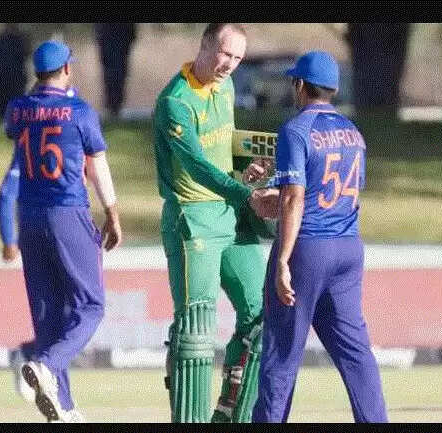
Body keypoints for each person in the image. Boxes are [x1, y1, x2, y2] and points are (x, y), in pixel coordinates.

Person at [250, 51, 388, 422]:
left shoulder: (296, 130)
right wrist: (280, 198)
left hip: (307, 248)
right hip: (348, 246)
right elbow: (333, 192)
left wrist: (283, 260)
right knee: (356, 354)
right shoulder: (353, 133)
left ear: (299, 85)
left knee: (281, 354)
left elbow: (295, 199)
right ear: (333, 89)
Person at [153, 23, 279, 423]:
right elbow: (196, 165)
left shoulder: (226, 87)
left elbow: (225, 145)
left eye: (238, 58)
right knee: (195, 327)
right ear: (205, 45)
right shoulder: (176, 101)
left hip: (232, 213)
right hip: (193, 217)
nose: (230, 64)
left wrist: (248, 169)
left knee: (264, 315)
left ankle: (230, 415)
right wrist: (247, 194)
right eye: (225, 54)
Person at [3, 40, 122, 423]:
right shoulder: (80, 111)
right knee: (91, 305)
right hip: (68, 212)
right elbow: (97, 166)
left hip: (29, 216)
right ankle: (47, 366)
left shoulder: (17, 109)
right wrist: (112, 212)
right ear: (67, 69)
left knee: (48, 315)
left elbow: (19, 128)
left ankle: (64, 406)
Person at [0, 86, 82, 404]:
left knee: (74, 314)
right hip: (50, 233)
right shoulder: (34, 146)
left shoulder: (68, 135)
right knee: (79, 311)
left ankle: (34, 356)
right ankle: (49, 378)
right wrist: (9, 238)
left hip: (67, 232)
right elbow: (7, 192)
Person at [94, 23, 136, 117]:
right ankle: (114, 102)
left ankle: (113, 102)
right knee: (118, 67)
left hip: (109, 31)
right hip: (118, 32)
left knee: (112, 67)